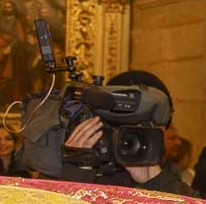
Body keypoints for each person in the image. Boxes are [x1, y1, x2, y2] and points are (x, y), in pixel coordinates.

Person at [61, 70, 192, 196]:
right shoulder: (66, 160)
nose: (130, 139)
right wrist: (76, 172)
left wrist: (154, 180)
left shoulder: (164, 172)